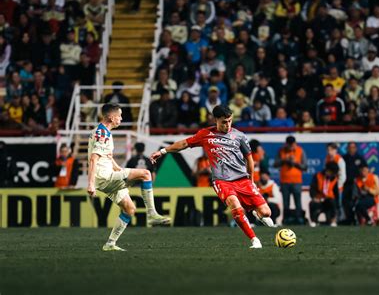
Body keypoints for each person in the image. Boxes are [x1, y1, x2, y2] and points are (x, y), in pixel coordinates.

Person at [150, 105, 275, 249]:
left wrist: (252, 181)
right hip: (222, 181)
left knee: (266, 213)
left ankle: (255, 212)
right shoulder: (205, 134)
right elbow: (184, 143)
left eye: (229, 121)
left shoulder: (239, 135)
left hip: (242, 179)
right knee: (234, 204)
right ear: (215, 120)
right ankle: (254, 240)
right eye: (223, 122)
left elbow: (249, 159)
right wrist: (163, 151)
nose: (227, 125)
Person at [87, 104, 170, 252]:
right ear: (111, 117)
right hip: (105, 177)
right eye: (119, 115)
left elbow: (106, 156)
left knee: (129, 209)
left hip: (107, 174)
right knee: (146, 174)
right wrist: (91, 184)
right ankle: (151, 214)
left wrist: (118, 168)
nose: (121, 118)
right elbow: (93, 159)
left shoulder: (101, 131)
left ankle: (110, 243)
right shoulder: (103, 134)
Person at [274, 136, 308, 225]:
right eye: (290, 145)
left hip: (297, 181)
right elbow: (275, 164)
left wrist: (295, 163)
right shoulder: (281, 151)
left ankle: (299, 219)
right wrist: (285, 160)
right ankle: (286, 220)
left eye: (293, 145)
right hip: (284, 181)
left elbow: (305, 167)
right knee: (286, 203)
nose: (291, 147)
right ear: (286, 144)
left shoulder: (300, 150)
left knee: (298, 202)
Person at [342, 142, 367, 224]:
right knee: (346, 202)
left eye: (353, 147)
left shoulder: (360, 158)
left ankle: (358, 219)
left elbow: (365, 170)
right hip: (346, 184)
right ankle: (349, 219)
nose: (351, 149)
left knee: (355, 201)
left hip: (356, 184)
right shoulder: (344, 158)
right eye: (350, 147)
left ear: (356, 148)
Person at [309, 162, 339, 227]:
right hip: (319, 199)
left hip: (329, 200)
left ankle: (332, 220)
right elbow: (312, 188)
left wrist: (336, 202)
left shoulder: (334, 179)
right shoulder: (317, 176)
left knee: (333, 202)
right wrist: (314, 197)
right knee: (312, 204)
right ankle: (314, 221)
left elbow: (336, 193)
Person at [325, 143, 346, 221]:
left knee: (339, 203)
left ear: (335, 150)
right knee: (330, 203)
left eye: (331, 150)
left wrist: (338, 185)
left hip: (337, 186)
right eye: (328, 150)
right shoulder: (327, 158)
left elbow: (343, 175)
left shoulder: (339, 160)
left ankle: (341, 218)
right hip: (329, 186)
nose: (329, 152)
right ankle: (331, 218)